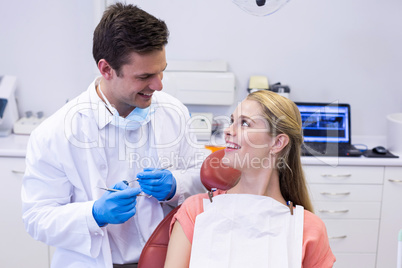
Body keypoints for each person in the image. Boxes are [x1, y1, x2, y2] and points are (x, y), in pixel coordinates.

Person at [21, 3, 206, 268]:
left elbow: (202, 176)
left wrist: (176, 185)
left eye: (161, 70)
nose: (158, 85)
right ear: (106, 69)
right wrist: (93, 214)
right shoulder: (55, 133)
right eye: (145, 76)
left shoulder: (172, 111)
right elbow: (37, 219)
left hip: (166, 260)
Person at [165, 90, 336, 267]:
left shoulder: (307, 228)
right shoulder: (196, 211)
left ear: (277, 143)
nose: (228, 131)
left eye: (245, 123)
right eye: (232, 121)